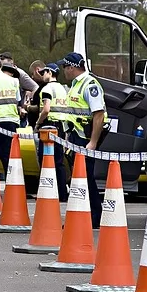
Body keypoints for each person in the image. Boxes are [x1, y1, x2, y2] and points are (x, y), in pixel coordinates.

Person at [60, 52, 107, 227]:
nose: (63, 71)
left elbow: (99, 115)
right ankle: (83, 216)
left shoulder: (89, 85)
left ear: (71, 67)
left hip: (85, 138)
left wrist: (93, 142)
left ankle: (95, 216)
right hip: (75, 137)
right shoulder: (76, 85)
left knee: (86, 178)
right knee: (79, 178)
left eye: (64, 67)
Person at [34, 63, 70, 202]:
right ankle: (61, 193)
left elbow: (46, 109)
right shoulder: (63, 88)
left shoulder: (47, 88)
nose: (42, 75)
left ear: (50, 72)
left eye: (44, 73)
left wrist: (38, 123)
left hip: (48, 126)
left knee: (46, 160)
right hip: (60, 127)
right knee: (59, 161)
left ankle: (47, 192)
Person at [0, 52, 39, 126]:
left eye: (4, 66)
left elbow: (35, 88)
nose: (2, 70)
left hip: (18, 114)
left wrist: (28, 103)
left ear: (12, 64)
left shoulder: (20, 74)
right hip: (0, 113)